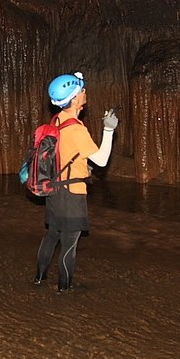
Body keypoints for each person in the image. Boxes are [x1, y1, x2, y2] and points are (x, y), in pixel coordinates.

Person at [33, 71, 118, 293]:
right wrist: (108, 130)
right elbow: (101, 160)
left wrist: (81, 165)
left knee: (52, 235)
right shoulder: (77, 129)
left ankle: (38, 279)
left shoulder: (56, 120)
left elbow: (64, 153)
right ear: (74, 98)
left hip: (54, 190)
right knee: (70, 244)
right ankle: (64, 290)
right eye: (81, 90)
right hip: (71, 194)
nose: (84, 92)